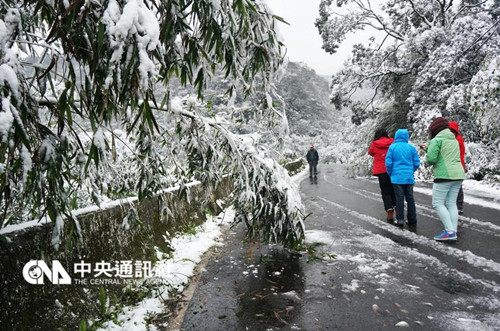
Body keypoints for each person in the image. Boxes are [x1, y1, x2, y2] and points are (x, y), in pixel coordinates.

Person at [425, 117, 465, 241]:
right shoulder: (453, 139)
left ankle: (449, 231)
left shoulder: (437, 140)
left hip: (444, 174)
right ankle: (453, 231)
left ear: (435, 129)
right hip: (458, 174)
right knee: (451, 203)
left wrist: (428, 150)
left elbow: (431, 159)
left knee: (437, 203)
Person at [385, 129, 420, 227]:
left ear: (396, 136)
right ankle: (412, 220)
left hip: (397, 178)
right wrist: (410, 170)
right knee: (410, 199)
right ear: (406, 137)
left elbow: (388, 163)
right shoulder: (411, 148)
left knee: (399, 199)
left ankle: (400, 220)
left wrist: (391, 173)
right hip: (409, 177)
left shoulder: (392, 147)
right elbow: (416, 162)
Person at [368, 128, 396, 222]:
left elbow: (370, 152)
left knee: (385, 191)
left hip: (381, 171)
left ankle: (389, 210)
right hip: (392, 169)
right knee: (393, 189)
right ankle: (396, 206)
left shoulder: (374, 144)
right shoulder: (392, 141)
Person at [449, 121, 466, 215]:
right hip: (459, 165)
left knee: (457, 186)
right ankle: (457, 206)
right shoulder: (459, 138)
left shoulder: (456, 139)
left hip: (456, 165)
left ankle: (458, 206)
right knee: (456, 186)